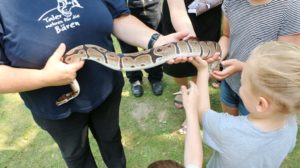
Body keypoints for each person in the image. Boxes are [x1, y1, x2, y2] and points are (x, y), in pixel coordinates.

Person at [0, 0, 188, 167]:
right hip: (54, 108)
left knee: (111, 139)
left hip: (106, 90)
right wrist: (44, 78)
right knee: (76, 155)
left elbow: (117, 18)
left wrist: (157, 40)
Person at [182, 41, 300, 167]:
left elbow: (202, 113)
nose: (240, 85)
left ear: (261, 103)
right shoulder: (291, 123)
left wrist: (202, 70)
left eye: (242, 82)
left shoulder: (228, 130)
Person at [212, 0, 300, 116]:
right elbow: (227, 36)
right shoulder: (231, 1)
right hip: (229, 81)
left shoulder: (292, 7)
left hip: (260, 93)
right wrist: (215, 58)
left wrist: (243, 67)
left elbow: (284, 66)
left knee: (248, 133)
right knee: (230, 125)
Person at [159, 0, 222, 109]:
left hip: (209, 16)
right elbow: (177, 9)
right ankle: (183, 88)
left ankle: (194, 95)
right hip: (179, 16)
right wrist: (191, 40)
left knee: (202, 63)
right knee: (177, 65)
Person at [118, 0, 164, 97]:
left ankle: (155, 78)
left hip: (150, 5)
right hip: (122, 7)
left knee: (154, 46)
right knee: (128, 49)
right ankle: (135, 80)